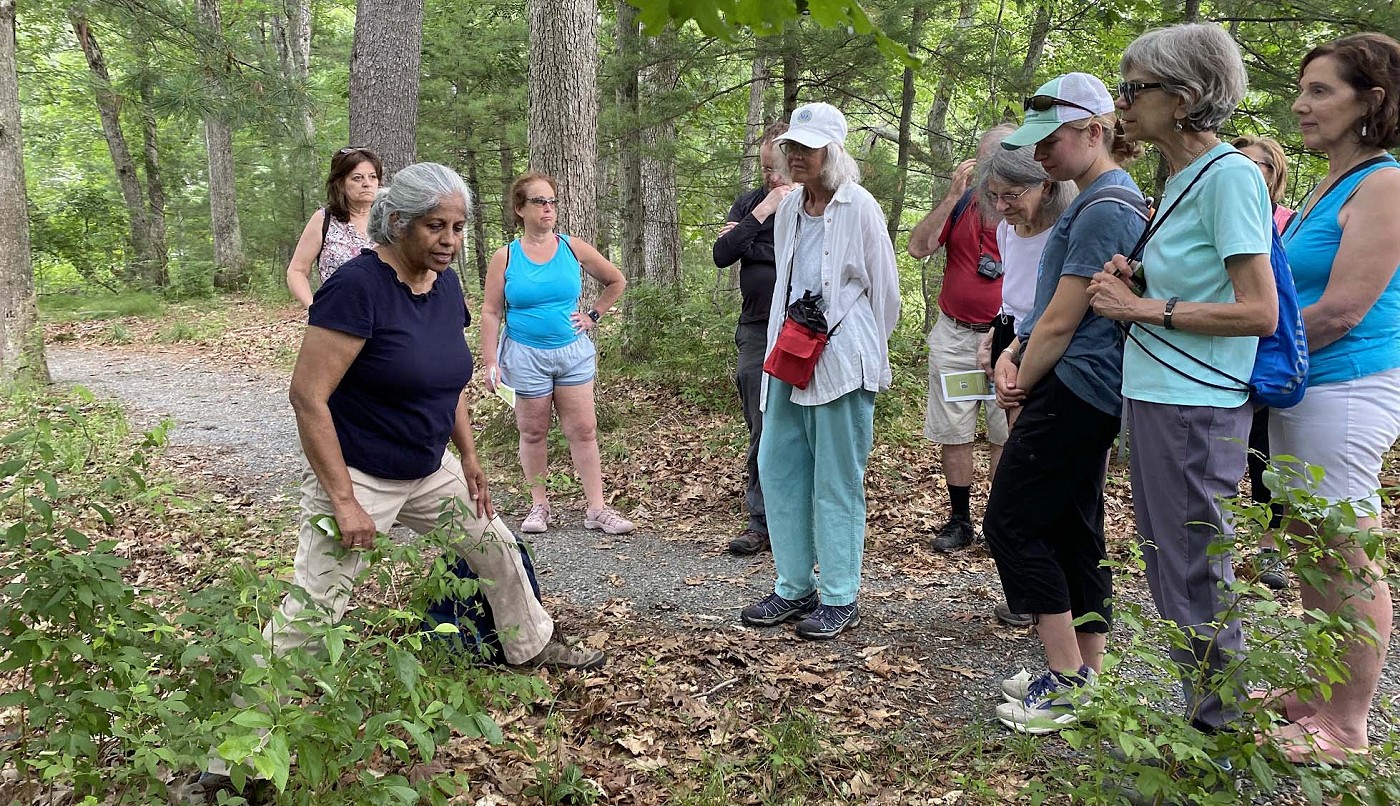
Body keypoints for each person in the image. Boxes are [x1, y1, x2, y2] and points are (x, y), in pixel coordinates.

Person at [184, 163, 604, 802]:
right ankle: (233, 767)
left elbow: (447, 378)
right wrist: (345, 500)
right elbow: (307, 397)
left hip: (429, 467)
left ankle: (530, 646)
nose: (449, 239)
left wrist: (468, 460)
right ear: (398, 221)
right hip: (360, 474)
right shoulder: (355, 288)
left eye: (458, 227)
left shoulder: (444, 286)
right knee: (312, 608)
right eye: (436, 225)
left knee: (496, 549)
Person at [1088, 24, 1278, 735]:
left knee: (1193, 566)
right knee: (1172, 564)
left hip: (1195, 405)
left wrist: (1144, 306)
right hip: (1161, 392)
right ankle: (1206, 721)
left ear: (1187, 96)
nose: (1122, 101)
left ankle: (1216, 734)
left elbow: (1258, 310)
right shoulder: (1181, 176)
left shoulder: (1229, 176)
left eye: (1134, 87)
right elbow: (1198, 279)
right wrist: (1140, 277)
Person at [983, 73, 1149, 733]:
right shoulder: (1096, 198)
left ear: (1093, 130)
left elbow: (1063, 320)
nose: (1041, 154)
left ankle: (1068, 679)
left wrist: (1021, 370)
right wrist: (1012, 350)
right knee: (1075, 529)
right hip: (1078, 383)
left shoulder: (1108, 205)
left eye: (1051, 139)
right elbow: (1044, 311)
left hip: (1077, 386)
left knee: (1013, 522)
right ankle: (1088, 674)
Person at [1258, 32, 1400, 764]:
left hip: (1349, 386)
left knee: (1346, 549)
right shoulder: (1330, 183)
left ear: (1371, 101)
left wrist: (1246, 343)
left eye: (1321, 91)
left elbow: (1344, 307)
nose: (1300, 104)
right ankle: (1320, 691)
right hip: (1306, 386)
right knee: (1312, 541)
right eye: (1303, 89)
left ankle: (1347, 725)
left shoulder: (1386, 183)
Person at [737, 102, 900, 640]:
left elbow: (886, 296)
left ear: (832, 151)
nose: (795, 156)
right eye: (791, 147)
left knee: (836, 479)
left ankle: (839, 595)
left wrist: (865, 356)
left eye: (806, 148)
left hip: (842, 362)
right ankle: (792, 586)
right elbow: (785, 280)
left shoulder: (860, 208)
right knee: (779, 466)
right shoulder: (786, 210)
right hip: (788, 355)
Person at [480, 173, 633, 537]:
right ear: (520, 209)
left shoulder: (572, 247)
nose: (548, 208)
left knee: (583, 430)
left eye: (551, 201)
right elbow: (490, 311)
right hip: (525, 354)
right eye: (539, 202)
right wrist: (489, 362)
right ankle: (539, 505)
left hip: (572, 353)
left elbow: (616, 280)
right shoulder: (506, 257)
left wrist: (593, 315)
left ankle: (596, 508)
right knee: (532, 431)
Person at [973, 146, 1079, 630]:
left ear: (1046, 185)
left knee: (1048, 488)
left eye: (1011, 194)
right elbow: (1014, 301)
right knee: (1024, 469)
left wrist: (1014, 358)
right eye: (993, 196)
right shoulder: (1006, 230)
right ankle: (1033, 597)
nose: (1002, 206)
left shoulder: (1066, 230)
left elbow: (1055, 312)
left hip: (1050, 353)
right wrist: (995, 346)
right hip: (1014, 343)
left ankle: (1058, 597)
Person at [909, 124, 1015, 553]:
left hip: (1009, 340)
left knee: (1004, 432)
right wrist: (952, 196)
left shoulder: (1027, 208)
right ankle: (959, 520)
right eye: (985, 164)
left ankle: (1000, 521)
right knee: (954, 430)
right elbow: (918, 247)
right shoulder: (962, 205)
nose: (993, 178)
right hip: (956, 335)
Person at [713, 122, 796, 556]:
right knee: (760, 425)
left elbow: (796, 262)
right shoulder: (749, 204)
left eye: (777, 168)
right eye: (765, 168)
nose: (771, 177)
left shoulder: (811, 206)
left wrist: (752, 246)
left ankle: (798, 520)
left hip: (800, 330)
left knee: (798, 426)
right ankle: (760, 522)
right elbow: (722, 254)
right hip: (756, 328)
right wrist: (760, 215)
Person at [1232, 134, 1294, 590]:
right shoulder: (1223, 214)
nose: (1253, 171)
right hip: (1222, 352)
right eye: (1244, 163)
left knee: (1264, 456)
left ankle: (1269, 548)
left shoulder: (1288, 224)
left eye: (1264, 167)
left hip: (1267, 355)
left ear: (1277, 178)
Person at [286, 147, 382, 308]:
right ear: (340, 184)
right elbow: (297, 271)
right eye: (357, 178)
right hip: (338, 318)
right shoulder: (324, 220)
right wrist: (314, 308)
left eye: (372, 177)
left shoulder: (390, 219)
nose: (367, 184)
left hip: (388, 320)